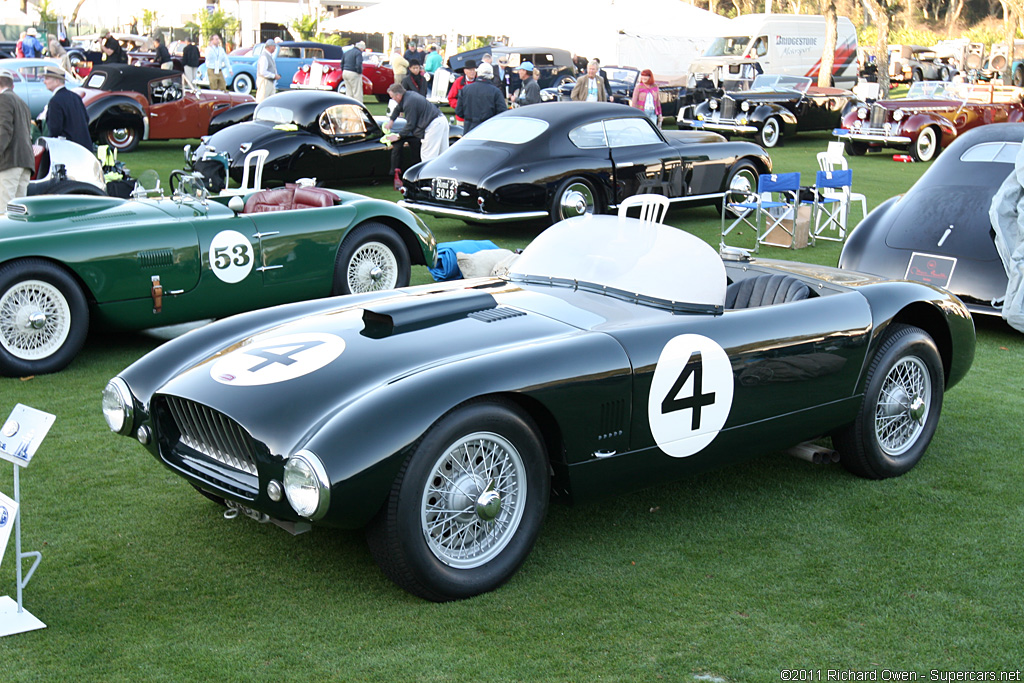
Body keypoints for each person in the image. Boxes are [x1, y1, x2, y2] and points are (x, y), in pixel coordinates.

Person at [384, 83, 449, 190]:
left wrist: (399, 136)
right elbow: (397, 108)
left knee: (428, 156)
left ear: (398, 95)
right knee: (442, 155)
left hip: (433, 125)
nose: (392, 99)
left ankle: (428, 185)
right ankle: (443, 182)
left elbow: (410, 124)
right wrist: (391, 121)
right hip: (441, 120)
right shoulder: (408, 95)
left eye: (392, 97)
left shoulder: (409, 102)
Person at [0, 70, 34, 214]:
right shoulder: (22, 103)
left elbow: (3, 130)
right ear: (12, 85)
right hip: (25, 163)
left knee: (4, 212)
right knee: (19, 214)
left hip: (9, 162)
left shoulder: (3, 99)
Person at [41, 66, 92, 150]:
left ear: (57, 81)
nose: (44, 82)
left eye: (47, 78)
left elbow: (54, 129)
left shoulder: (55, 101)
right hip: (83, 147)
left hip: (68, 149)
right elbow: (86, 119)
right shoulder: (75, 97)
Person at [456, 62, 506, 134]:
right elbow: (502, 113)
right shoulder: (496, 92)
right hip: (488, 130)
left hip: (469, 129)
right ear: (491, 75)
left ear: (478, 73)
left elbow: (459, 111)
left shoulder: (466, 89)